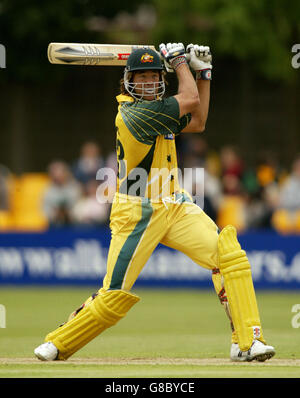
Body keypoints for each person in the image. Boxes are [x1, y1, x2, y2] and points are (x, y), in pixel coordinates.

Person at [34, 43, 275, 362]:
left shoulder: (161, 109)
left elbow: (198, 119)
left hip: (175, 204)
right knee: (113, 295)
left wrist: (202, 72)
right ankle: (59, 342)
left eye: (153, 76)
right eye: (142, 77)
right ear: (128, 81)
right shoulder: (136, 114)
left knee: (228, 254)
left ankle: (247, 342)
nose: (149, 83)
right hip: (137, 212)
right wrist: (179, 63)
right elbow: (189, 100)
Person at [43, 160, 82, 227]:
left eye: (59, 173)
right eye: (54, 173)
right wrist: (55, 214)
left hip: (74, 224)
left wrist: (68, 213)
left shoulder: (75, 187)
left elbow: (80, 206)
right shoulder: (47, 190)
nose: (57, 176)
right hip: (54, 224)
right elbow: (45, 210)